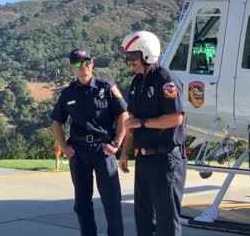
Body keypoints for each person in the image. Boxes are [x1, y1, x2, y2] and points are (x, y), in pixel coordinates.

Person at [50, 47, 128, 236]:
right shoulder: (67, 94)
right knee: (82, 204)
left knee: (112, 202)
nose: (83, 66)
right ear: (72, 67)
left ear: (92, 63)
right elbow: (57, 123)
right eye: (78, 63)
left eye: (86, 62)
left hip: (104, 149)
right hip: (78, 152)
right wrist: (65, 147)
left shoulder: (107, 88)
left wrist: (116, 143)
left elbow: (123, 116)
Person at [118, 31, 187, 236]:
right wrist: (124, 153)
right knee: (143, 217)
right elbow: (131, 121)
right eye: (127, 57)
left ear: (147, 54)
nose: (130, 62)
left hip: (166, 159)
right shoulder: (137, 82)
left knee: (167, 220)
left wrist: (142, 123)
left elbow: (176, 118)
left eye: (133, 56)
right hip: (144, 159)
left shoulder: (165, 81)